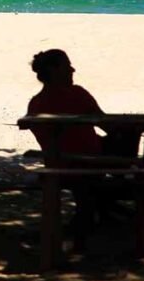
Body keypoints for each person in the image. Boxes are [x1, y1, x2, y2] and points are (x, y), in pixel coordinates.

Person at [25, 49, 130, 251]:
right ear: (54, 71)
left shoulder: (36, 103)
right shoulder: (77, 94)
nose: (73, 69)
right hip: (88, 162)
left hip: (58, 162)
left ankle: (103, 204)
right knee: (126, 138)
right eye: (67, 66)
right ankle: (113, 195)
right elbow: (108, 125)